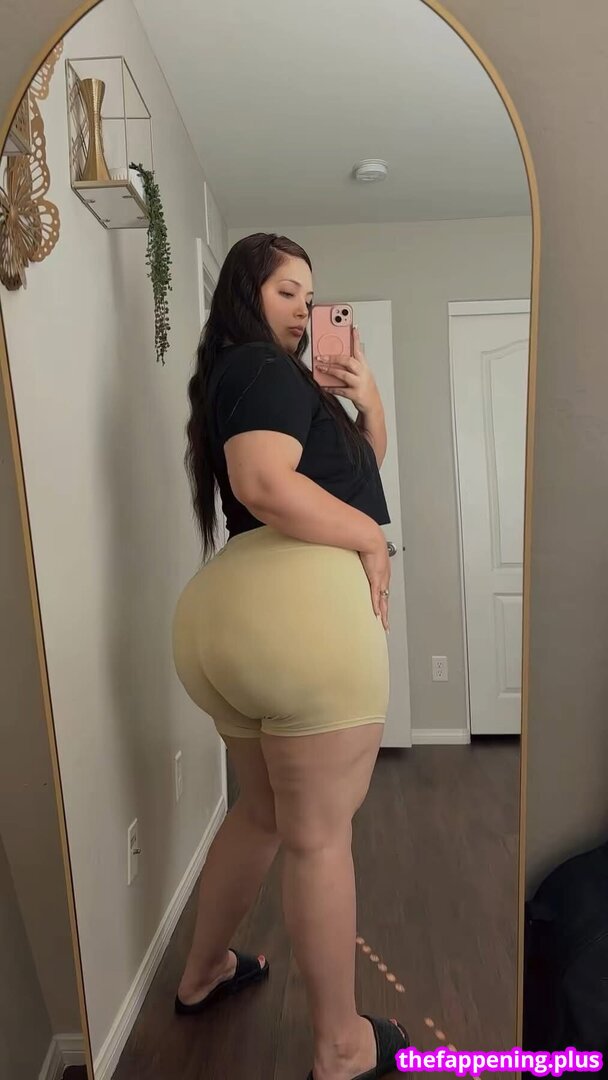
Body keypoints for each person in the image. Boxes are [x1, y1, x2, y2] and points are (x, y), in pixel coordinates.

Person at [171, 232, 409, 1080]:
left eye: (311, 296)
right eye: (287, 292)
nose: (305, 310)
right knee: (317, 837)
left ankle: (203, 971)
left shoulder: (252, 379)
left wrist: (366, 399)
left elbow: (350, 478)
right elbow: (266, 485)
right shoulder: (262, 368)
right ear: (246, 294)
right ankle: (341, 1045)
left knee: (264, 813)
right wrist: (370, 543)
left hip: (225, 621)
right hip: (299, 622)